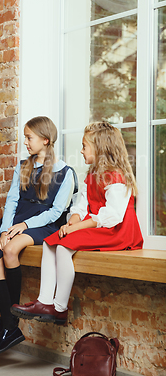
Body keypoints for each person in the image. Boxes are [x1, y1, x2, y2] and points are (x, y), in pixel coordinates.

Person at [11, 122, 143, 325]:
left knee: (63, 247)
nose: (81, 151)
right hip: (96, 227)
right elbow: (82, 206)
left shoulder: (116, 176)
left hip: (116, 231)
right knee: (50, 241)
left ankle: (60, 308)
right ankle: (44, 301)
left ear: (99, 148)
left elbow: (112, 216)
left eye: (84, 146)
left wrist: (76, 228)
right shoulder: (92, 174)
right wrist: (71, 222)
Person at [0, 116, 75, 357]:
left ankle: (8, 322)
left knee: (10, 250)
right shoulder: (22, 166)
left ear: (45, 141)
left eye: (29, 138)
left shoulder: (65, 172)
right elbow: (12, 200)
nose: (25, 142)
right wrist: (5, 229)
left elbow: (56, 212)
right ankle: (9, 322)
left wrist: (24, 225)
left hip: (44, 223)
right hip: (17, 221)